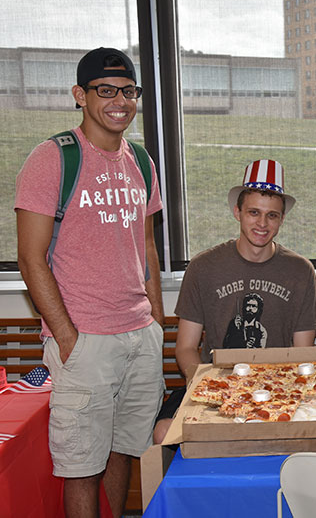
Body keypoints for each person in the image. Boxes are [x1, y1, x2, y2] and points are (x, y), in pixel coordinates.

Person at [15, 47, 164, 518]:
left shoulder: (141, 160)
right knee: (81, 466)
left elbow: (148, 247)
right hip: (85, 341)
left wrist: (155, 321)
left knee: (123, 452)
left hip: (138, 336)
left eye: (128, 90)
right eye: (105, 90)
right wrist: (67, 337)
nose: (119, 100)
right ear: (81, 95)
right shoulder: (52, 159)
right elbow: (29, 257)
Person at [153, 159, 316, 443]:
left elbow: (301, 353)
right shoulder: (203, 267)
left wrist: (276, 393)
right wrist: (210, 386)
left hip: (276, 387)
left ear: (282, 219)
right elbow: (185, 347)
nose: (262, 223)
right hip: (215, 382)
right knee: (163, 432)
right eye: (254, 212)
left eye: (272, 216)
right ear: (237, 212)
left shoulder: (300, 271)